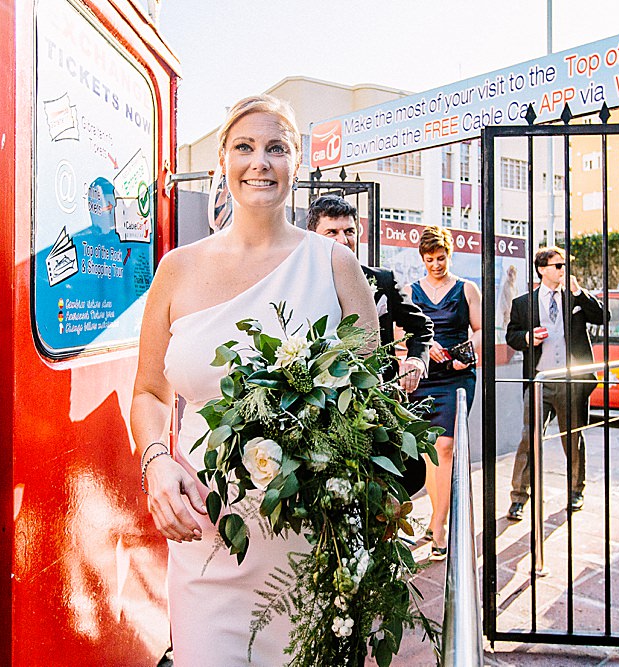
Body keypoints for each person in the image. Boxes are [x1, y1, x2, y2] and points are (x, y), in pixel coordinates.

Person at [130, 95, 378, 665]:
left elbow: (370, 401)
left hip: (310, 544)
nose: (259, 162)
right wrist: (155, 461)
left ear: (299, 164)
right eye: (244, 147)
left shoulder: (336, 266)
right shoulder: (177, 268)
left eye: (276, 148)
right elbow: (148, 391)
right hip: (206, 536)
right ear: (223, 161)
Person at [307, 193, 431, 496]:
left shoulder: (382, 279)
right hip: (319, 410)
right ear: (313, 237)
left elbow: (420, 325)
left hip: (376, 405)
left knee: (386, 491)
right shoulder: (301, 285)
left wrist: (416, 359)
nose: (344, 239)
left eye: (349, 231)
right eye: (332, 232)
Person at [505, 246, 604, 521]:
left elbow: (602, 318)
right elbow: (511, 336)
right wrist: (527, 338)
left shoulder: (574, 298)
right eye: (557, 265)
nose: (562, 270)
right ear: (541, 269)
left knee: (573, 437)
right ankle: (519, 497)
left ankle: (575, 490)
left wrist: (579, 294)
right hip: (539, 380)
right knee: (529, 438)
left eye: (563, 265)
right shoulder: (524, 303)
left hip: (571, 380)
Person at [404, 226, 481, 560]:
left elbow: (482, 331)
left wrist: (465, 353)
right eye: (430, 259)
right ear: (422, 258)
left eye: (441, 258)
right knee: (428, 452)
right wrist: (425, 346)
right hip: (422, 378)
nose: (436, 264)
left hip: (456, 376)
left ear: (450, 255)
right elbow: (402, 335)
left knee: (446, 447)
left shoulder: (467, 289)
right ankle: (438, 517)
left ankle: (438, 526)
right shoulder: (410, 290)